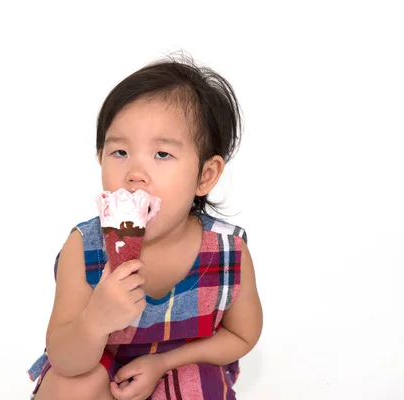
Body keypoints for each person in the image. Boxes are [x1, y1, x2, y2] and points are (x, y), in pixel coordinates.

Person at [27, 54, 263, 400]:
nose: (135, 173)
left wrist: (164, 362)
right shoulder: (85, 246)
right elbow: (64, 357)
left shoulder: (227, 251)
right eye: (120, 152)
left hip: (176, 368)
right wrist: (95, 320)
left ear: (205, 175)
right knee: (72, 384)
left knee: (195, 384)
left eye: (162, 155)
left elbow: (242, 336)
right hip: (100, 372)